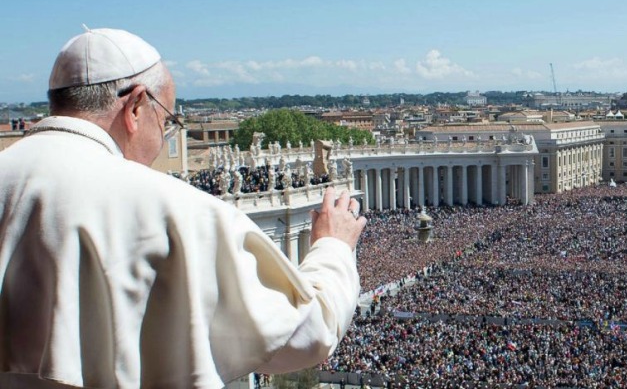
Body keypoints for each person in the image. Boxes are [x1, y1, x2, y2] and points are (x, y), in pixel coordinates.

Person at [0, 27, 367, 388]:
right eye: (167, 120)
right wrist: (333, 246)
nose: (163, 139)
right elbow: (306, 332)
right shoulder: (178, 211)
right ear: (136, 106)